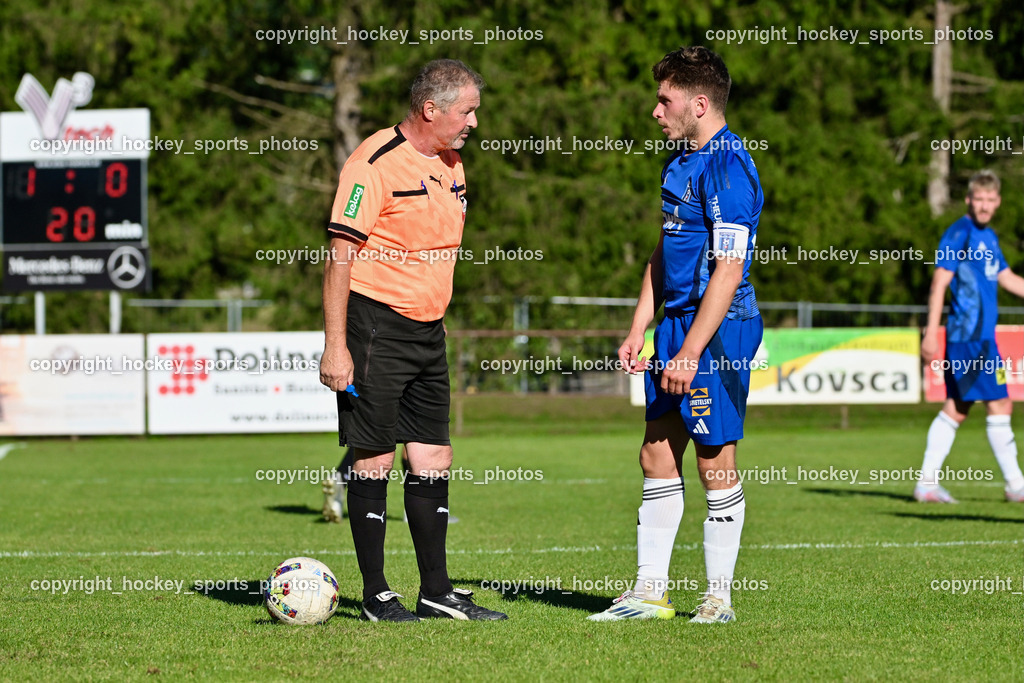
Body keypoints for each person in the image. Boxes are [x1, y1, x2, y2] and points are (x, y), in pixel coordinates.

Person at [319, 59, 504, 622]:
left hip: (429, 331)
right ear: (431, 109)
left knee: (433, 456)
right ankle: (376, 596)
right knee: (373, 458)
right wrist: (335, 345)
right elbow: (339, 254)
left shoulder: (454, 167)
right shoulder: (371, 162)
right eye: (467, 109)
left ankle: (436, 591)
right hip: (374, 326)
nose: (474, 120)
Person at [589, 46, 763, 624]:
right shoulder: (679, 162)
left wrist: (690, 351)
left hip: (719, 330)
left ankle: (719, 598)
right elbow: (666, 251)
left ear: (700, 102)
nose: (655, 110)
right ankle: (650, 593)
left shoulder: (730, 166)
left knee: (715, 459)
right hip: (676, 325)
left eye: (665, 99)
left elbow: (729, 268)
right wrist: (640, 325)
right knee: (656, 453)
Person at [916, 170, 1024, 503]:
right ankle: (1016, 486)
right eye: (979, 199)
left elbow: (1006, 278)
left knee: (958, 407)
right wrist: (931, 334)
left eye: (991, 200)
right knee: (999, 402)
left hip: (984, 340)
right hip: (968, 338)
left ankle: (927, 485)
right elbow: (939, 283)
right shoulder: (958, 233)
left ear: (998, 202)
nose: (985, 205)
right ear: (968, 200)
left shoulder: (988, 236)